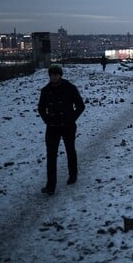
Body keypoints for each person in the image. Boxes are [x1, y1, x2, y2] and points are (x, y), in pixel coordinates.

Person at [38, 65, 85, 195]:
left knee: (70, 150)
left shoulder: (70, 88)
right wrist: (48, 120)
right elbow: (41, 109)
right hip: (52, 127)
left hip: (67, 126)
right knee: (51, 156)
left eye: (56, 74)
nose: (53, 77)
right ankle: (50, 186)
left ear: (60, 75)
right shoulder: (45, 91)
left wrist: (71, 118)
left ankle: (73, 175)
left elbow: (80, 106)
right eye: (51, 75)